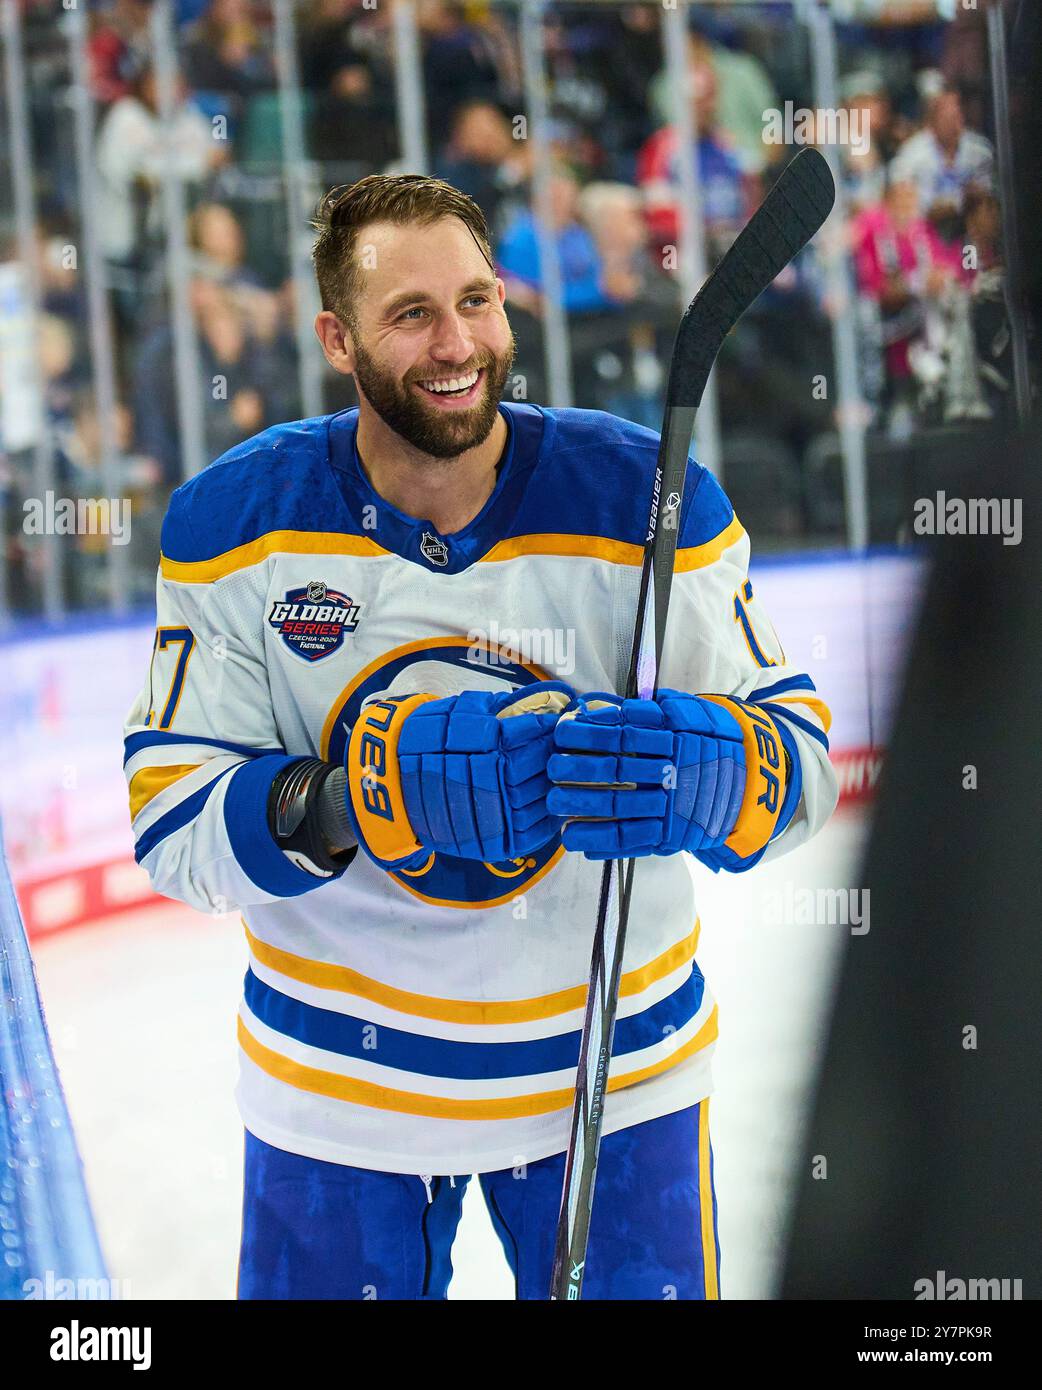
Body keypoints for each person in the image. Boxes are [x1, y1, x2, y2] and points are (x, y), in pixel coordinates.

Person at [122, 174, 837, 1301]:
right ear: (338, 340)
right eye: (410, 313)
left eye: (477, 300)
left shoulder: (645, 498)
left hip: (617, 1087)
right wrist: (347, 801)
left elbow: (799, 768)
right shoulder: (237, 525)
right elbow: (171, 822)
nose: (456, 342)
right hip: (336, 1101)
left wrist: (718, 767)